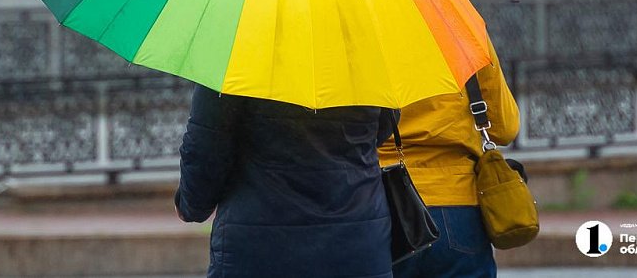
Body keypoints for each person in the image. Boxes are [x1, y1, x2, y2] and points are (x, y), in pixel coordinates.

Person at [175, 85, 399, 278]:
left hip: (259, 246)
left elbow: (206, 146)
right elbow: (384, 127)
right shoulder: (365, 51)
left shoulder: (238, 51)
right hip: (357, 241)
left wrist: (192, 205)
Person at [378, 36, 520, 278]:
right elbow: (504, 128)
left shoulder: (356, 27)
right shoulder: (458, 27)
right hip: (458, 209)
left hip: (381, 203)